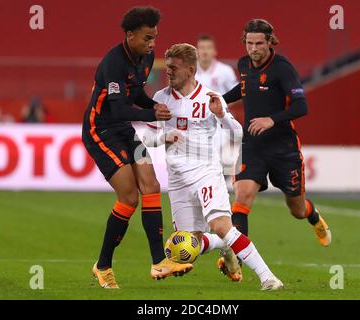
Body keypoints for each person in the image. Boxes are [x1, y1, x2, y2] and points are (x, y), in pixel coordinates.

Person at [142, 43, 283, 290]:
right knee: (189, 245)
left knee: (221, 225)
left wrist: (221, 115)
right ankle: (225, 245)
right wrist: (164, 136)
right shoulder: (161, 98)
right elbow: (147, 138)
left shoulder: (209, 98)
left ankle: (268, 277)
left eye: (174, 68)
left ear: (190, 69)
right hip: (177, 179)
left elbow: (238, 132)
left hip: (205, 171)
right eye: (168, 69)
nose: (170, 73)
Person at [81, 7, 193, 289]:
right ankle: (103, 266)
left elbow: (135, 96)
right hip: (101, 131)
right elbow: (118, 109)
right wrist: (152, 115)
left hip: (124, 131)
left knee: (151, 185)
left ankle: (158, 262)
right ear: (130, 36)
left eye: (154, 37)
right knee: (129, 197)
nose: (152, 43)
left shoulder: (146, 57)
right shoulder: (113, 63)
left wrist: (151, 105)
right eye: (146, 38)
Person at [222, 19, 332, 257]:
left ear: (270, 42)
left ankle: (313, 216)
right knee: (242, 198)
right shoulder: (244, 64)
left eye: (259, 43)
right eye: (249, 43)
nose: (253, 49)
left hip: (283, 148)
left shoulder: (283, 68)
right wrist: (219, 100)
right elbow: (242, 88)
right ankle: (237, 260)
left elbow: (302, 106)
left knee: (296, 209)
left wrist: (271, 119)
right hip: (252, 145)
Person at [196, 35, 240, 178]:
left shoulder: (224, 71)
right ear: (196, 51)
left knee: (213, 156)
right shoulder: (190, 71)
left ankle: (217, 183)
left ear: (214, 51)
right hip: (196, 121)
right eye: (202, 48)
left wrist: (222, 108)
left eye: (208, 48)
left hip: (219, 120)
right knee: (198, 159)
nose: (205, 52)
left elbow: (237, 94)